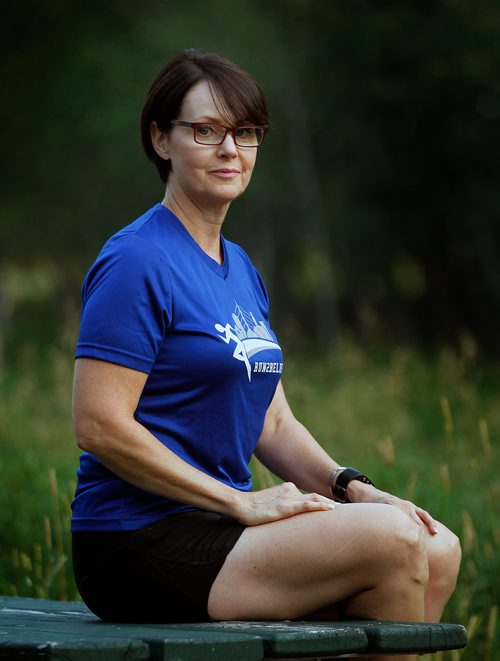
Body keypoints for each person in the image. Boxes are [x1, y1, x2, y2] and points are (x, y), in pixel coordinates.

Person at [71, 49, 461, 660]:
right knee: (393, 543)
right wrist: (241, 500)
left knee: (437, 547)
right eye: (206, 130)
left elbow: (273, 422)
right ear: (160, 139)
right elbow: (98, 425)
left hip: (222, 530)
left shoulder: (241, 268)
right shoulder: (138, 260)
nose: (231, 149)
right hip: (136, 539)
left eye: (245, 132)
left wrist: (351, 488)